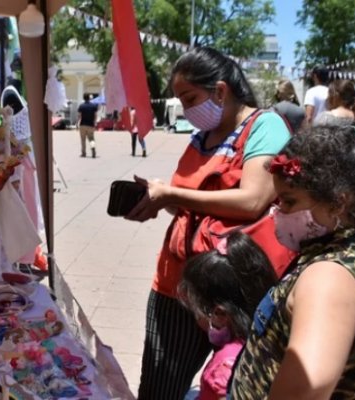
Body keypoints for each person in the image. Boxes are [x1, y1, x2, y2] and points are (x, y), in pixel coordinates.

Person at [125, 46, 291, 400]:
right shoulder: (201, 137)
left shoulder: (264, 126)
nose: (186, 110)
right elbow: (194, 206)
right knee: (158, 388)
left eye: (190, 98)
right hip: (177, 286)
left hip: (234, 293)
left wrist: (171, 195)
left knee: (234, 385)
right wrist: (160, 202)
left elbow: (252, 201)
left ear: (220, 90)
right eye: (180, 101)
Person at [230, 124, 355, 398]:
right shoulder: (334, 252)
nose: (278, 212)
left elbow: (308, 388)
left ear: (338, 203)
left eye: (289, 202)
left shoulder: (330, 278)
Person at [178, 231, 277, 400]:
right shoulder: (264, 339)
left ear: (219, 313)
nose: (196, 318)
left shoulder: (226, 368)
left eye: (196, 311)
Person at [77, 94, 98, 158]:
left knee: (83, 140)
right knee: (91, 139)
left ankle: (83, 153)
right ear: (89, 98)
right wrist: (95, 122)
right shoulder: (93, 106)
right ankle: (93, 149)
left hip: (83, 124)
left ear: (84, 98)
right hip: (90, 125)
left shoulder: (81, 106)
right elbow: (95, 115)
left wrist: (77, 123)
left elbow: (79, 116)